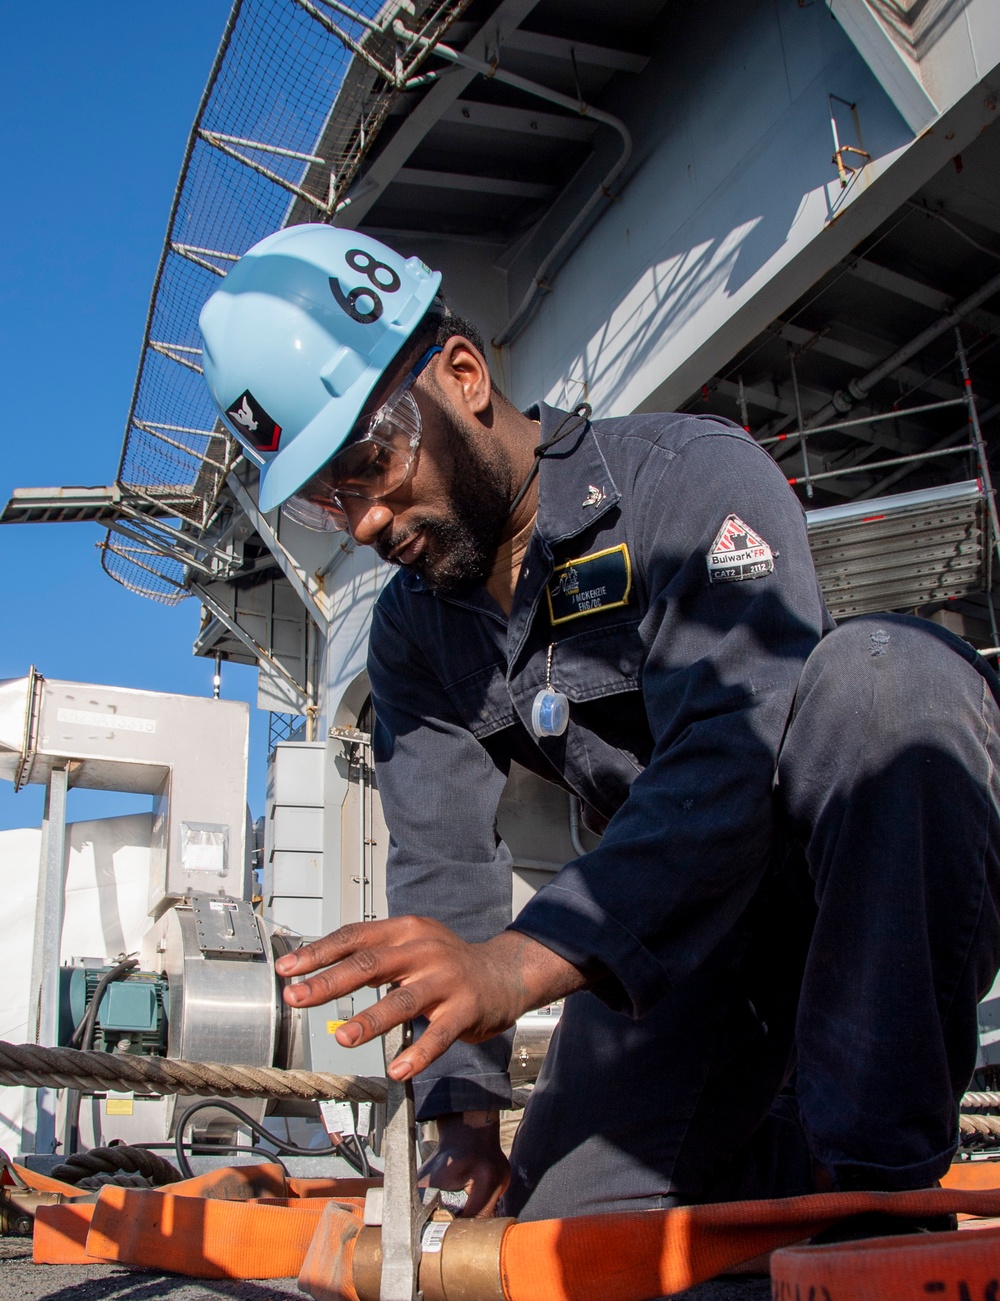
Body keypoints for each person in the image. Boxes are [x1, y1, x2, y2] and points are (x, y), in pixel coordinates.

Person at [201, 224, 1000, 1226]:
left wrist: (513, 966)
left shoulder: (684, 480)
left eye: (373, 459)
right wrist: (462, 1118)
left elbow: (729, 759)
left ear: (462, 375)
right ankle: (785, 1175)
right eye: (331, 499)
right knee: (561, 1243)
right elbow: (443, 859)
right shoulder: (415, 630)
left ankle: (878, 1198)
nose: (363, 521)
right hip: (669, 946)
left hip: (833, 892)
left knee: (892, 677)